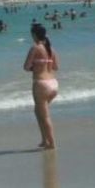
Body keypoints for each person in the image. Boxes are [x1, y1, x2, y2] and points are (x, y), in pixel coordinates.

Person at [23, 22, 59, 150]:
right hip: (54, 84)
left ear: (34, 35)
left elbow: (26, 67)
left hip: (41, 84)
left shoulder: (35, 48)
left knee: (45, 116)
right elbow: (55, 67)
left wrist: (36, 67)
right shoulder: (51, 49)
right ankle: (45, 140)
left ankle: (52, 144)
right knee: (38, 112)